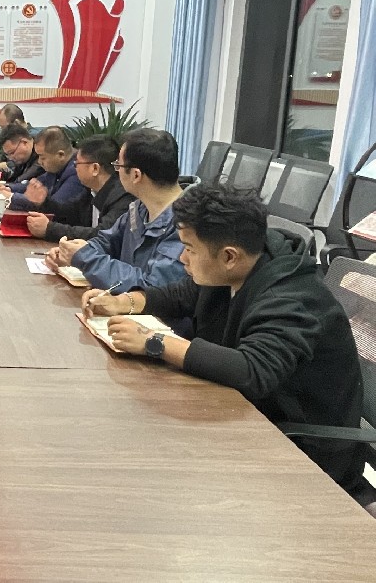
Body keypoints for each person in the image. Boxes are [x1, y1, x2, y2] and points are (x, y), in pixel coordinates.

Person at [82, 184, 376, 512]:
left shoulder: (293, 298)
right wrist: (124, 302)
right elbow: (185, 294)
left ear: (228, 257)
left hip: (303, 449)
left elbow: (253, 370)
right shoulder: (243, 262)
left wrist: (155, 342)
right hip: (249, 414)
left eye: (189, 249)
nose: (182, 258)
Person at [45, 128, 187, 291]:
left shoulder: (186, 223)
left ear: (136, 175)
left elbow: (152, 287)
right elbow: (107, 242)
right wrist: (74, 251)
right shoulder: (139, 209)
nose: (116, 172)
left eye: (118, 166)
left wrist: (84, 258)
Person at [27, 135, 131, 242]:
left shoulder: (123, 196)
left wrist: (50, 229)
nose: (75, 168)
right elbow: (68, 213)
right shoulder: (90, 191)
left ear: (95, 168)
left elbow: (102, 235)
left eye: (77, 163)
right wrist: (44, 202)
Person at [6, 126, 89, 215]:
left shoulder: (77, 172)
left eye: (43, 157)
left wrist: (9, 197)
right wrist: (8, 188)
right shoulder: (56, 168)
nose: (39, 162)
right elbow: (32, 187)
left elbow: (56, 208)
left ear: (61, 155)